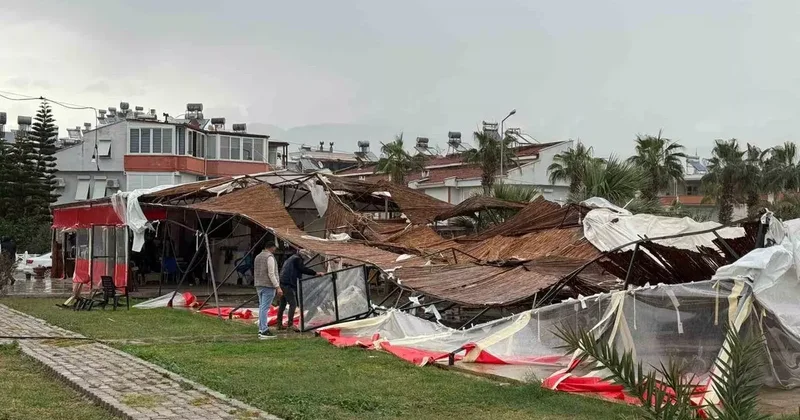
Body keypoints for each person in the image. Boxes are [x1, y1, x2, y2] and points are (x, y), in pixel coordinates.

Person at [277, 248, 323, 331]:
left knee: (282, 304)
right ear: (303, 256)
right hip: (289, 284)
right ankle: (290, 325)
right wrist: (315, 273)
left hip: (283, 282)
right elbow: (303, 269)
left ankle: (279, 324)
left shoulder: (291, 258)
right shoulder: (297, 259)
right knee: (293, 304)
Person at [253, 241, 281, 339]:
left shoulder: (258, 257)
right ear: (272, 247)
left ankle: (261, 328)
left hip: (259, 284)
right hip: (268, 286)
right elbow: (271, 273)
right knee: (265, 308)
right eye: (275, 248)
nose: (275, 250)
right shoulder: (269, 257)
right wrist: (277, 286)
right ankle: (264, 330)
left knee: (261, 307)